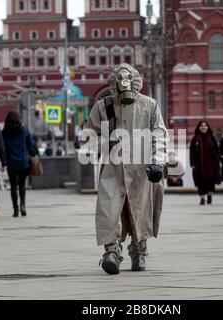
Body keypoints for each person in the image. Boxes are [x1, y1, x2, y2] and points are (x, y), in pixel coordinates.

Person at [82, 63, 167, 275]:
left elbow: (159, 135)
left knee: (140, 211)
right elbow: (87, 136)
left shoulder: (149, 105)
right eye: (120, 79)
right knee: (109, 210)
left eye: (128, 78)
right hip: (113, 169)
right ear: (115, 82)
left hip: (141, 170)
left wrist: (157, 162)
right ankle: (111, 252)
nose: (124, 82)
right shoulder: (103, 107)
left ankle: (139, 251)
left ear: (135, 81)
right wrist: (105, 143)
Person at [2, 111, 36, 217]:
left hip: (11, 163)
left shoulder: (4, 132)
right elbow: (31, 146)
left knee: (13, 186)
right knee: (22, 185)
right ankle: (23, 206)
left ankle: (15, 210)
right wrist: (33, 153)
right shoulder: (24, 130)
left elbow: (2, 147)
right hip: (23, 163)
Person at [190, 121, 221, 205]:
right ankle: (202, 198)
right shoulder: (195, 139)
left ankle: (210, 195)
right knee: (200, 182)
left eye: (205, 126)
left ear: (208, 127)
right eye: (201, 126)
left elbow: (217, 150)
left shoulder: (212, 138)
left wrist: (218, 160)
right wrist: (192, 163)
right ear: (198, 128)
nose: (203, 127)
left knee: (210, 181)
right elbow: (192, 152)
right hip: (199, 165)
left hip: (211, 164)